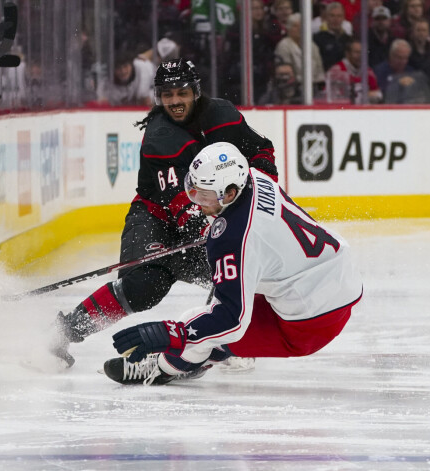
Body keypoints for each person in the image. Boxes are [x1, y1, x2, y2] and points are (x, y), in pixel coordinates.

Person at [53, 58, 278, 367]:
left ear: (196, 92)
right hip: (154, 218)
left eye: (181, 93)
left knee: (232, 272)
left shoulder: (223, 116)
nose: (174, 101)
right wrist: (210, 230)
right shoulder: (160, 137)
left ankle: (221, 342)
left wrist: (263, 184)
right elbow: (180, 202)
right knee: (143, 287)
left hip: (207, 214)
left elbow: (262, 150)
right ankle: (62, 333)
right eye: (167, 95)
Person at [102, 142, 363, 385]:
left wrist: (174, 333)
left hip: (310, 322)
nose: (197, 202)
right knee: (211, 320)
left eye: (204, 196)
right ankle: (192, 359)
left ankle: (163, 368)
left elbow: (232, 321)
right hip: (338, 274)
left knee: (200, 328)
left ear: (230, 193)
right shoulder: (253, 177)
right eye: (193, 190)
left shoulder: (232, 237)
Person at [275, 13, 326, 89]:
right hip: (293, 89)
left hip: (315, 86)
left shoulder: (312, 45)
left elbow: (320, 70)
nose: (299, 29)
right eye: (295, 26)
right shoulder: (284, 45)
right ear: (288, 29)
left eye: (302, 26)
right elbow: (287, 74)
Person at [326, 38, 383, 103]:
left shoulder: (368, 72)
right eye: (357, 52)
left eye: (362, 52)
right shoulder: (336, 71)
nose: (360, 55)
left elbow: (378, 94)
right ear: (347, 54)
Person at [313, 2, 352, 70]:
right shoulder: (317, 39)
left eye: (339, 16)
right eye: (332, 16)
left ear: (343, 18)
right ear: (326, 17)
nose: (336, 19)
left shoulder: (349, 39)